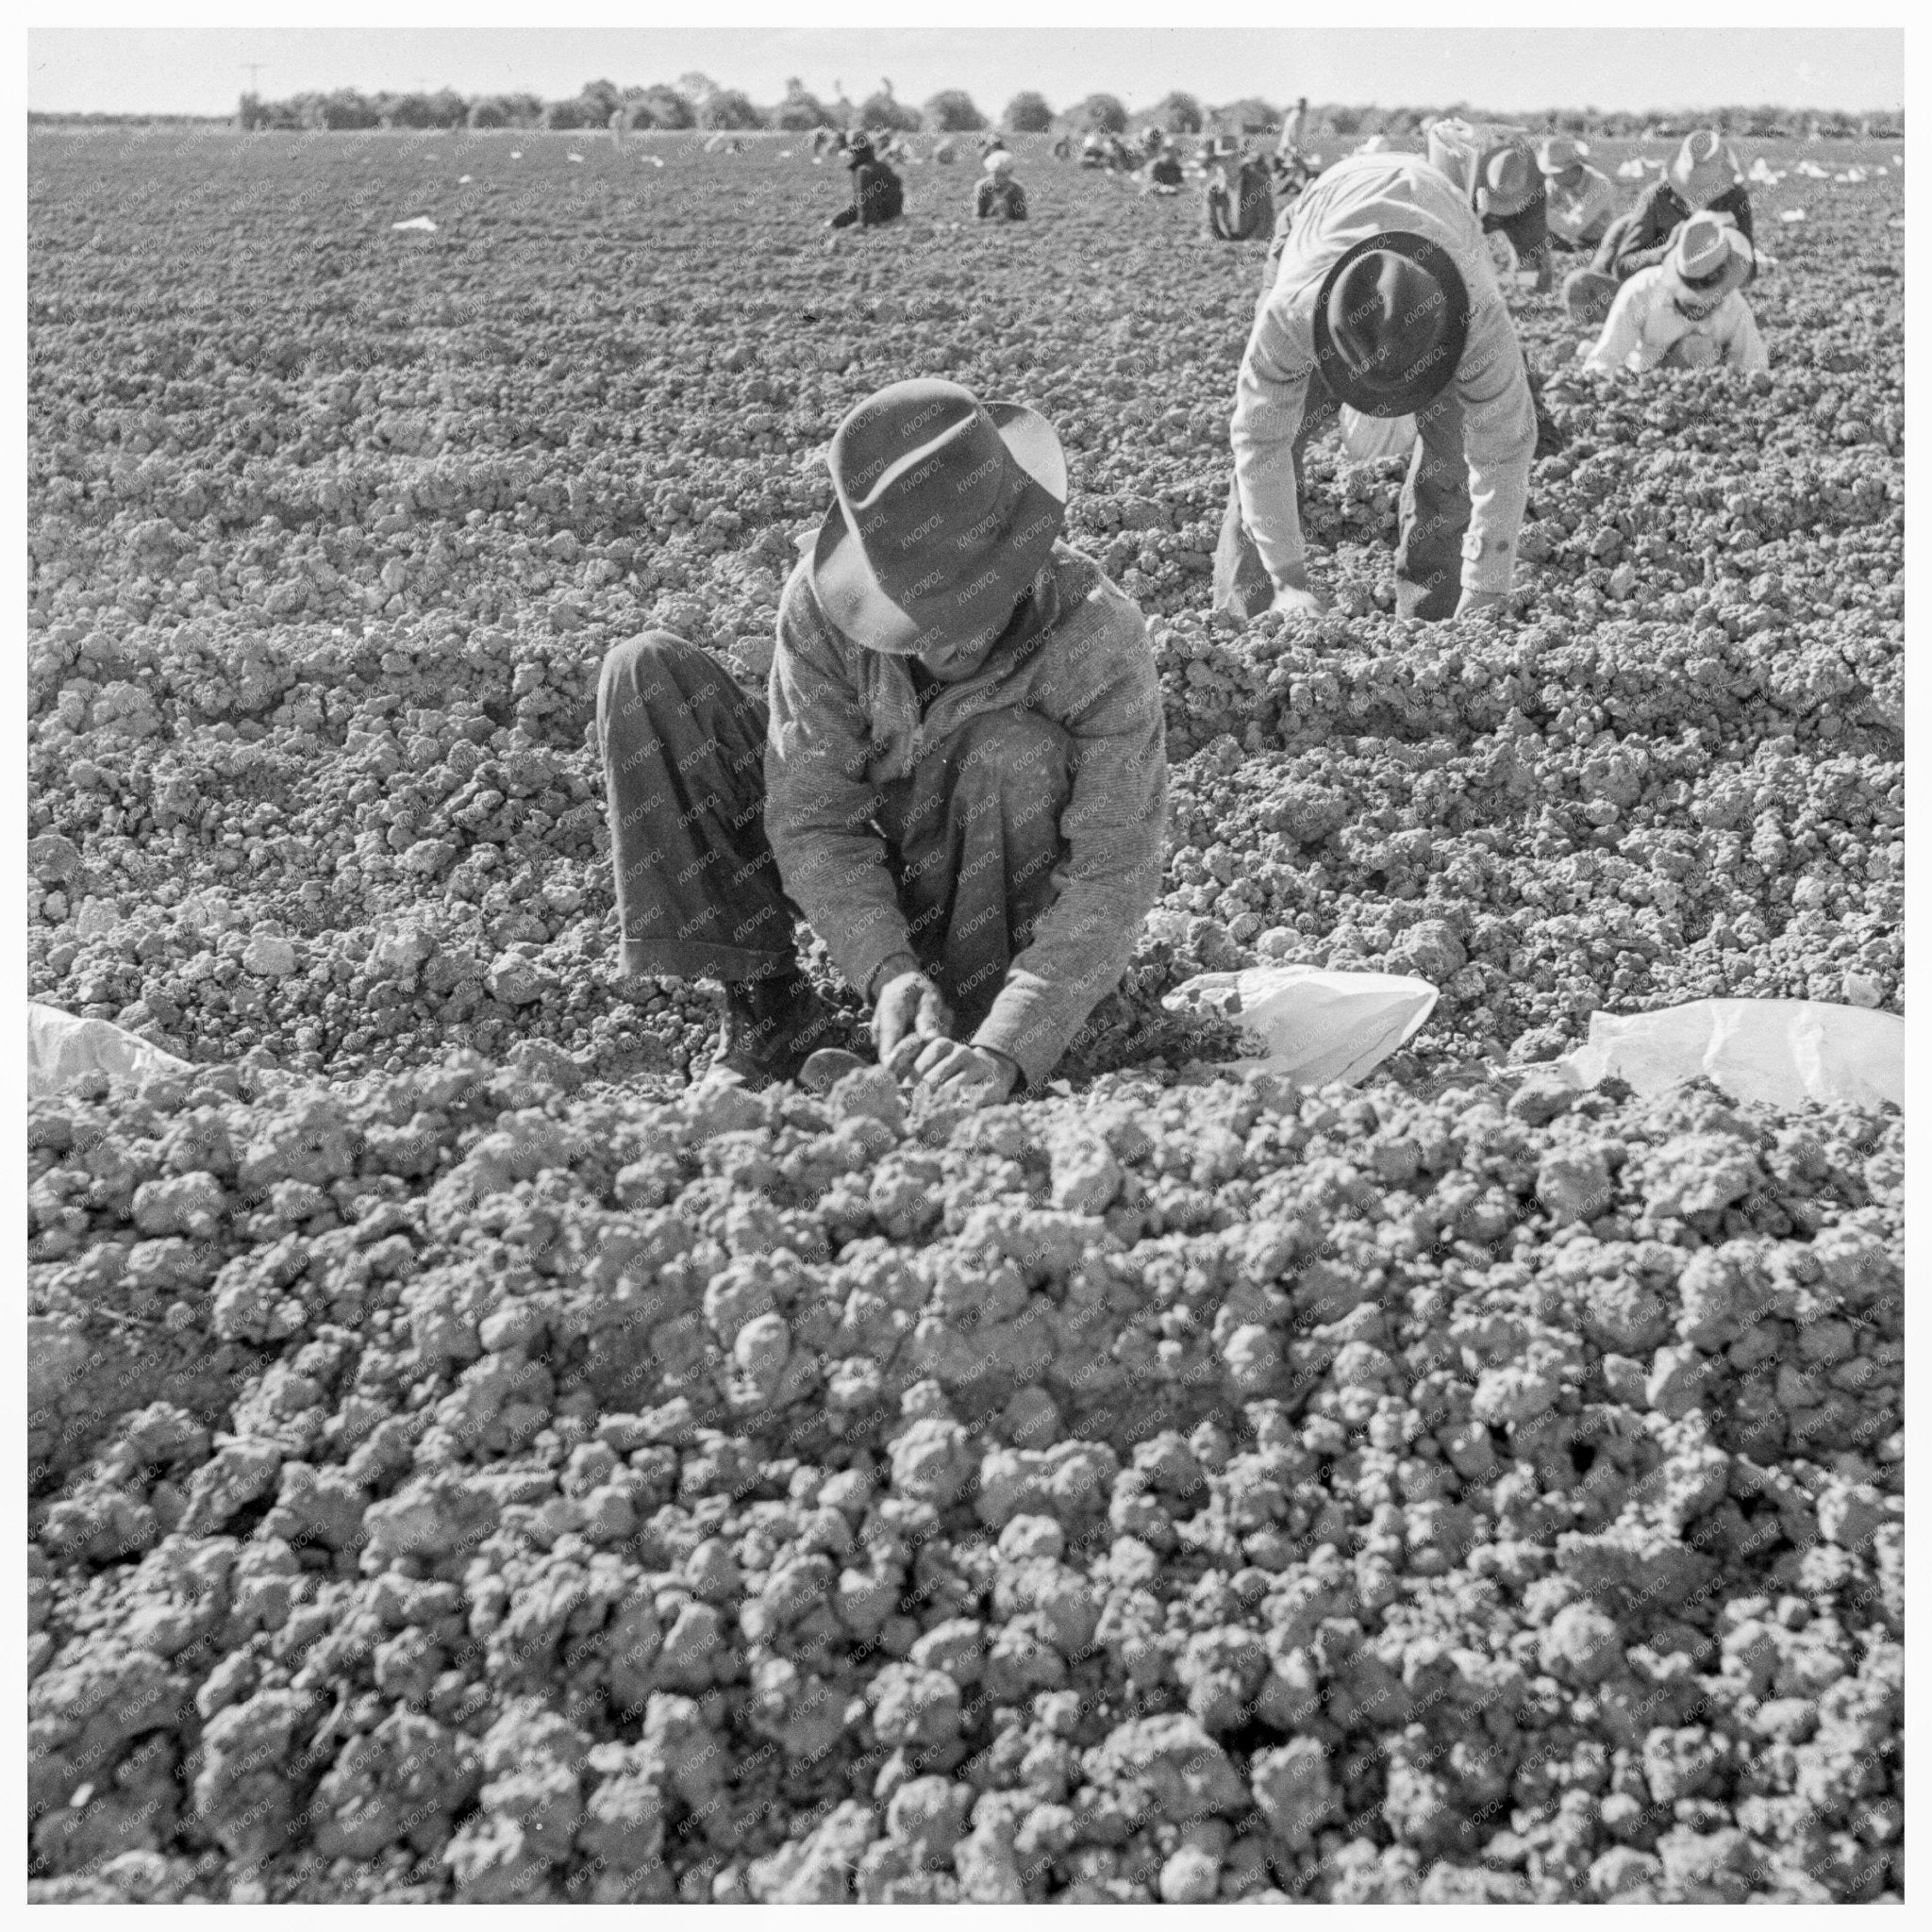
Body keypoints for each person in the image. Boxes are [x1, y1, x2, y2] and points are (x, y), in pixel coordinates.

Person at [595, 378, 1169, 1098]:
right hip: (888, 863)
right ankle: (769, 1014)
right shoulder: (822, 604)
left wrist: (1010, 1042)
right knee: (647, 674)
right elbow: (814, 815)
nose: (935, 647)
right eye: (909, 620)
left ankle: (969, 1025)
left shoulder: (1096, 635)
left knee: (1008, 750)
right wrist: (886, 969)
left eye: (960, 618)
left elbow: (1114, 868)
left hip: (1002, 893)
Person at [1212, 146, 1538, 625]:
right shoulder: (1291, 312)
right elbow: (1260, 442)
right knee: (1271, 454)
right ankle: (1244, 626)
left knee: (1450, 468)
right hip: (1322, 210)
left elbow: (1503, 450)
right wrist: (1288, 579)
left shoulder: (1476, 316)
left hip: (1443, 218)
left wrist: (1487, 587)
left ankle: (1435, 626)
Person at [1564, 128, 1754, 326]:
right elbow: (1623, 267)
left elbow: (1750, 272)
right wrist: (1666, 251)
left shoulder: (1734, 199)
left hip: (1708, 300)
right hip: (1658, 299)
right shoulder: (1656, 197)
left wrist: (1727, 250)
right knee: (1578, 283)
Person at [1582, 211, 1767, 375]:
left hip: (1706, 393)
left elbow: (1753, 366)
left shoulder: (1735, 306)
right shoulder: (1641, 291)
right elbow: (1605, 358)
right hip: (1644, 381)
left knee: (1699, 348)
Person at [1538, 136, 1616, 252]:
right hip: (1571, 240)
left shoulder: (1600, 185)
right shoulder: (1554, 182)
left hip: (1599, 244)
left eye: (1554, 173)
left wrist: (1540, 215)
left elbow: (1573, 227)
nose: (1551, 177)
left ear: (1570, 169)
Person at [827, 132, 904, 230]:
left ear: (855, 153)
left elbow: (865, 205)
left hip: (881, 221)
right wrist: (838, 222)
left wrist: (865, 227)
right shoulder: (882, 167)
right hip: (894, 217)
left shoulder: (863, 171)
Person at [1206, 141, 1275, 242]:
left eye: (1233, 159)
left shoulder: (1259, 184)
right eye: (1224, 160)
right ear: (1219, 163)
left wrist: (1249, 244)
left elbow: (1266, 221)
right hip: (1227, 244)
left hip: (1254, 242)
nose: (1229, 164)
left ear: (1240, 160)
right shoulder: (1213, 190)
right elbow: (1209, 224)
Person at [975, 147, 1028, 220]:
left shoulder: (1017, 189)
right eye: (996, 174)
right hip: (988, 227)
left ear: (1010, 173)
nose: (999, 178)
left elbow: (1022, 217)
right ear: (990, 172)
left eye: (1003, 174)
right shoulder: (983, 187)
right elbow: (978, 216)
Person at [1275, 95, 1310, 165]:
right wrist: (1294, 144)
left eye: (1305, 104)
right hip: (1291, 144)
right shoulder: (1296, 115)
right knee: (1289, 163)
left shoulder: (1303, 115)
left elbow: (1304, 131)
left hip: (1297, 144)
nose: (1304, 105)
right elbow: (1291, 130)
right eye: (1303, 103)